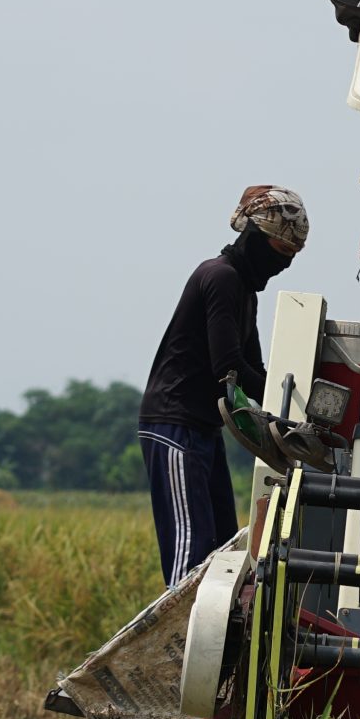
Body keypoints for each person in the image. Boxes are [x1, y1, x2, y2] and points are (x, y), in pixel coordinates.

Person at [137, 185, 308, 586]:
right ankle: (181, 643)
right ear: (253, 238)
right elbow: (229, 368)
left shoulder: (244, 290)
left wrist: (294, 409)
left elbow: (256, 369)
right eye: (281, 253)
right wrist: (295, 406)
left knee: (221, 553)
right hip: (174, 425)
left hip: (203, 428)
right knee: (191, 559)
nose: (283, 267)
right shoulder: (221, 278)